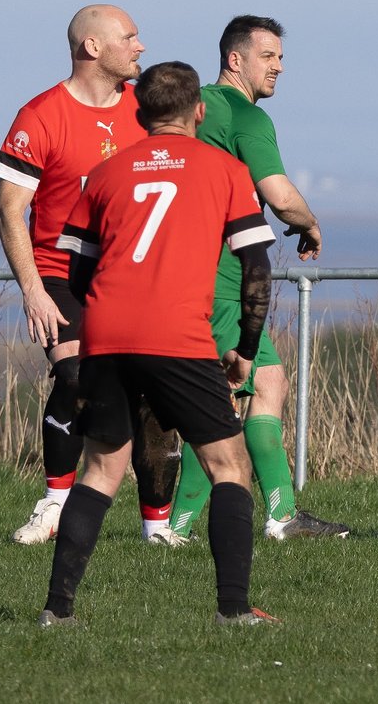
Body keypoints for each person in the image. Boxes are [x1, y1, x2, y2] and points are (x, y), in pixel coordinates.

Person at [40, 61, 280, 627]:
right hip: (178, 335)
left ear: (141, 114)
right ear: (199, 111)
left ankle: (58, 611)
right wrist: (245, 348)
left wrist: (94, 329)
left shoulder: (106, 173)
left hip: (106, 333)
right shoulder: (223, 169)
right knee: (228, 465)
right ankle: (233, 610)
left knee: (101, 468)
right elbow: (257, 267)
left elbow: (76, 271)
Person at [0, 5, 179, 545]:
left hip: (133, 281)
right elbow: (10, 211)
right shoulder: (41, 115)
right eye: (130, 37)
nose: (140, 46)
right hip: (60, 276)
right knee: (75, 380)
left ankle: (157, 528)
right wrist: (32, 291)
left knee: (153, 398)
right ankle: (53, 506)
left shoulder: (146, 113)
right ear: (93, 47)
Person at [164, 15, 348, 542]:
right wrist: (310, 224)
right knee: (242, 389)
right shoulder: (245, 116)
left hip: (172, 267)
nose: (280, 67)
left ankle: (259, 517)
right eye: (269, 57)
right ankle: (192, 527)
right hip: (222, 274)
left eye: (281, 57)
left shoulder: (188, 105)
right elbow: (280, 195)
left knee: (251, 385)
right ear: (235, 60)